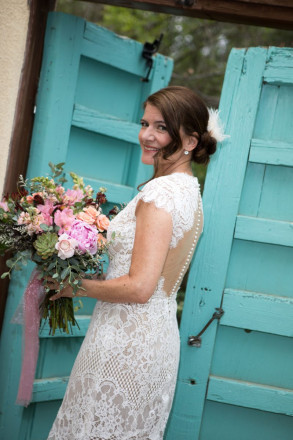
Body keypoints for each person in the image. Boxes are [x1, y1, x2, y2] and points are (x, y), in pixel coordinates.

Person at [47, 86, 219, 440]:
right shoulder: (189, 191)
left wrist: (70, 286)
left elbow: (141, 287)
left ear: (190, 141)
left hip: (125, 341)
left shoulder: (161, 194)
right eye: (145, 123)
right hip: (153, 338)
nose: (146, 135)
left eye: (161, 127)